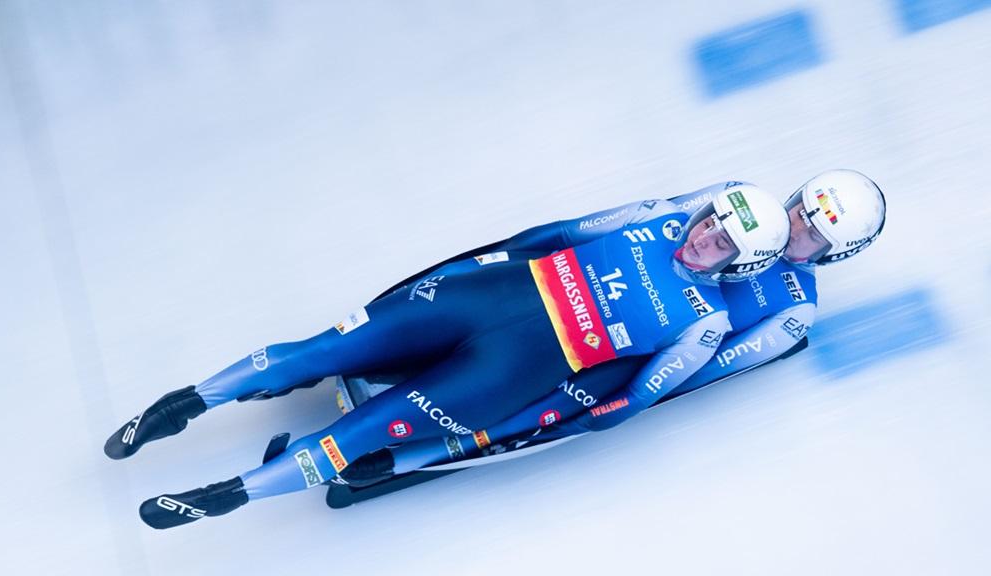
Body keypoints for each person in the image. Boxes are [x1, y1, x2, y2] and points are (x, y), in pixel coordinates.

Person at [105, 183, 790, 529]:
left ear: (738, 265)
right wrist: (468, 266)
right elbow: (551, 233)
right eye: (710, 223)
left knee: (359, 434)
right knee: (325, 347)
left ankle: (223, 497)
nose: (704, 238)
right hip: (486, 297)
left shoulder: (703, 324)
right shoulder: (658, 216)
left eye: (722, 243)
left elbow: (634, 398)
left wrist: (544, 420)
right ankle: (182, 403)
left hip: (510, 370)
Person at [336, 169, 887, 482]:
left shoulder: (796, 309)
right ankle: (369, 346)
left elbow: (707, 368)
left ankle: (402, 455)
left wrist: (633, 391)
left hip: (630, 351)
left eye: (813, 234)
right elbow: (659, 216)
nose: (796, 228)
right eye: (799, 212)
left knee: (544, 403)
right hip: (595, 288)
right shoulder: (742, 199)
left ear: (834, 254)